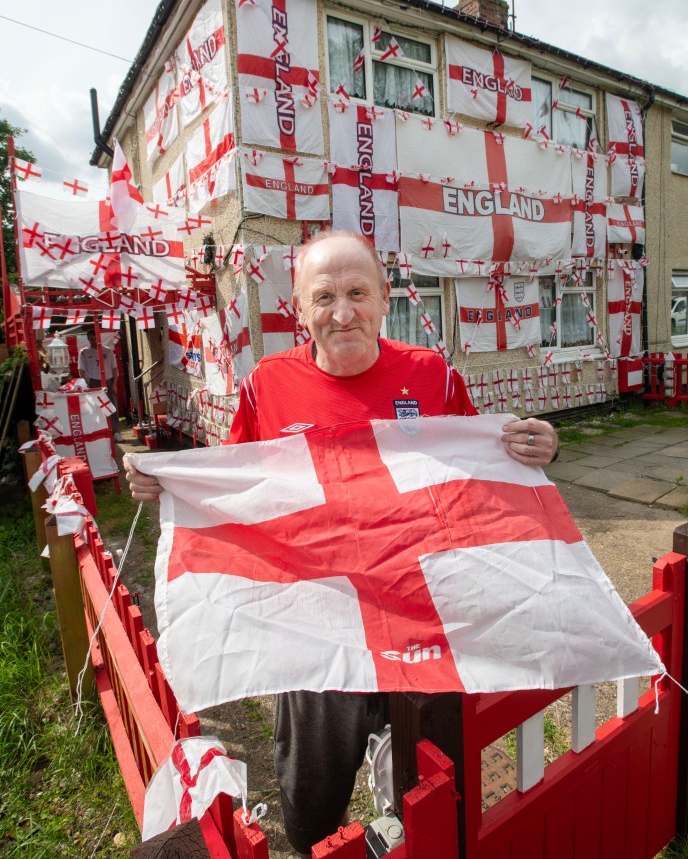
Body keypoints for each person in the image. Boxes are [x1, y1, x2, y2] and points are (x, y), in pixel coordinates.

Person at [125, 231, 558, 855]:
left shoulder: (431, 375)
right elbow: (233, 483)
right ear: (299, 309)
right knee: (313, 794)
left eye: (357, 292)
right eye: (323, 296)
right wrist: (168, 487)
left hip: (421, 611)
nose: (342, 311)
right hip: (318, 618)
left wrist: (539, 447)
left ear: (384, 298)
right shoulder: (266, 386)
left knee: (439, 781)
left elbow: (478, 465)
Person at [78, 327, 122, 441]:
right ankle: (100, 432)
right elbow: (81, 370)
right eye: (91, 339)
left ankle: (116, 432)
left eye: (95, 338)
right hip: (93, 381)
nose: (94, 341)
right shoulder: (84, 352)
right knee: (96, 407)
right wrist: (86, 384)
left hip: (108, 380)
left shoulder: (108, 351)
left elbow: (115, 369)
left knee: (112, 407)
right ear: (88, 340)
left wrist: (114, 384)